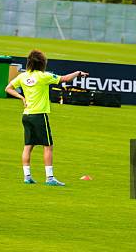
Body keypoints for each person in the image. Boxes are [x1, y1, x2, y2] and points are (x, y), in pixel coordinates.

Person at [5, 49, 89, 186]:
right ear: (42, 63)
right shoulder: (44, 76)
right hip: (39, 115)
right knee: (48, 146)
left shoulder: (23, 76)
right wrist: (78, 73)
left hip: (26, 115)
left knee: (28, 146)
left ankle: (27, 177)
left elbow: (8, 88)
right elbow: (65, 79)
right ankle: (50, 178)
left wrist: (22, 98)